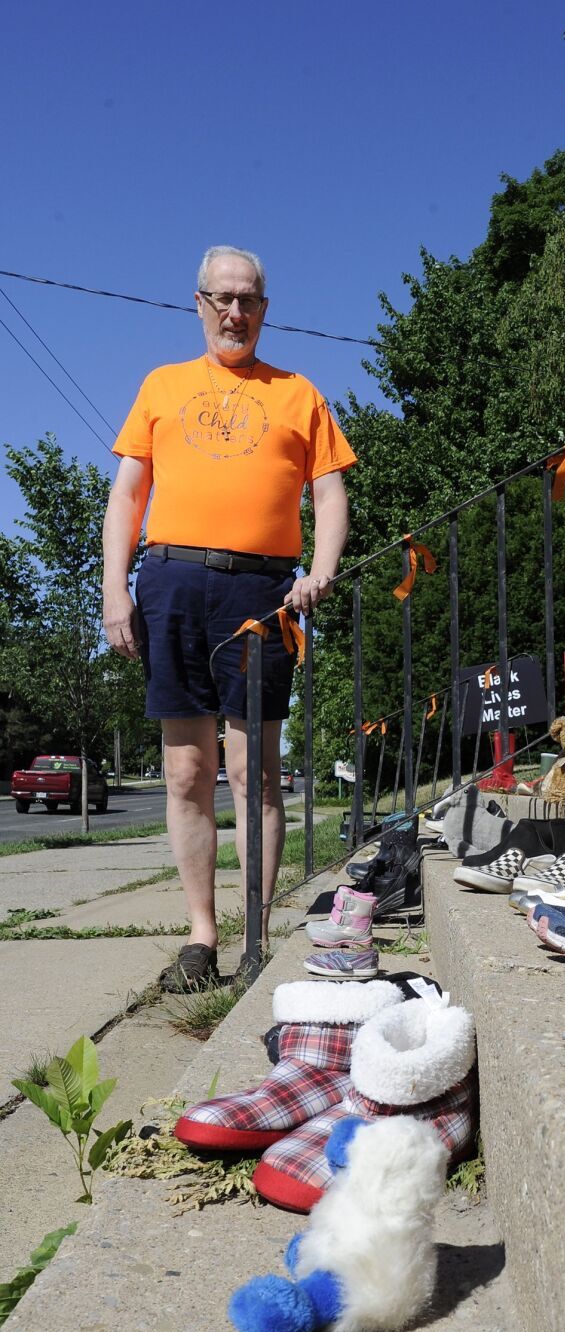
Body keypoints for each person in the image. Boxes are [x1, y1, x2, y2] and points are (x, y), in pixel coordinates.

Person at [102, 245, 356, 988]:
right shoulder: (161, 385)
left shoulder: (298, 393)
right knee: (186, 772)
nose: (235, 313)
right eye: (222, 299)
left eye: (248, 300)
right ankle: (201, 936)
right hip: (170, 582)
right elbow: (127, 494)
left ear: (265, 309)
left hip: (260, 594)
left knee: (256, 773)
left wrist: (323, 568)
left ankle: (256, 937)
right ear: (199, 303)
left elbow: (330, 492)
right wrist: (115, 587)